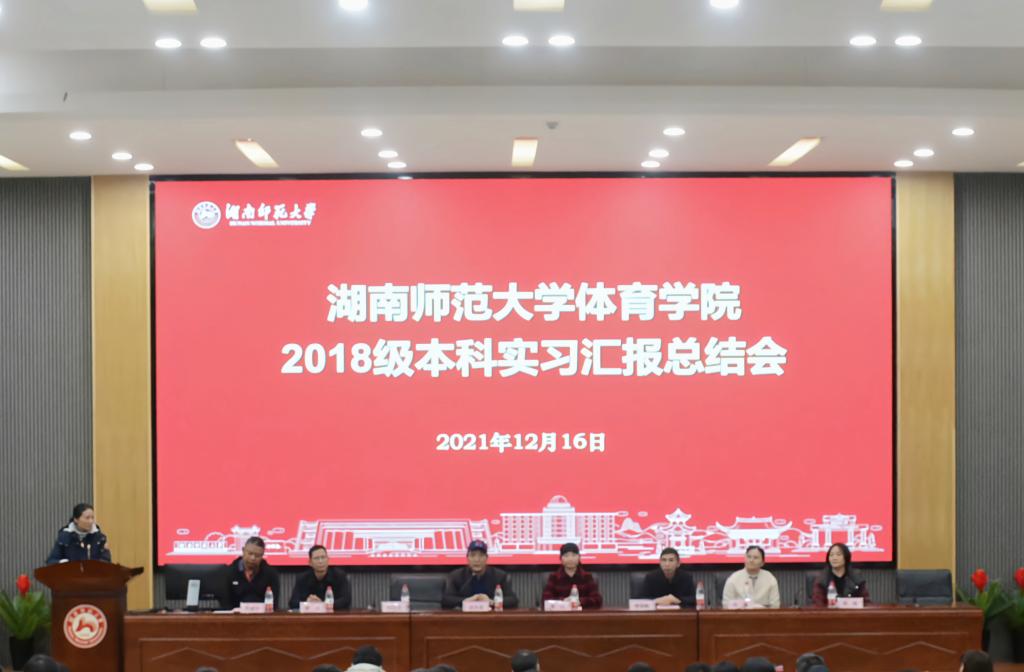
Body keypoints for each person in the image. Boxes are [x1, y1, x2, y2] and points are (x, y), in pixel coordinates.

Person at [441, 540, 519, 609]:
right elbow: (446, 600)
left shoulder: (499, 576)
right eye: (473, 555)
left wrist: (491, 601)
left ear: (486, 558)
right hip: (465, 617)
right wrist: (466, 600)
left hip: (491, 617)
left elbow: (513, 600)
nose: (477, 560)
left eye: (481, 555)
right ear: (467, 558)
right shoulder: (456, 576)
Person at [288, 544, 352, 611]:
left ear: (328, 560)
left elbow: (346, 600)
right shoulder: (302, 578)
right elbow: (292, 603)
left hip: (333, 615)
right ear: (310, 562)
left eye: (323, 557)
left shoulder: (339, 576)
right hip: (310, 616)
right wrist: (307, 602)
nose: (320, 561)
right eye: (316, 558)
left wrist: (322, 604)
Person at [542, 542, 603, 609]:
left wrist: (580, 601)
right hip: (561, 614)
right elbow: (545, 600)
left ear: (579, 557)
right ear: (561, 559)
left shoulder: (587, 576)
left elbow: (597, 600)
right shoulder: (554, 577)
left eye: (573, 555)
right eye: (566, 556)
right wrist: (564, 601)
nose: (570, 559)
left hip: (582, 614)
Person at [225, 536, 280, 609]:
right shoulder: (229, 572)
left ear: (262, 555)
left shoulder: (270, 574)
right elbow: (226, 603)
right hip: (235, 614)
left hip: (262, 614)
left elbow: (273, 604)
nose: (253, 558)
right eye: (250, 553)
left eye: (257, 555)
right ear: (243, 551)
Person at [46, 503, 111, 564]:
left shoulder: (100, 538)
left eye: (92, 518)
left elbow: (106, 561)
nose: (91, 521)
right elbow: (51, 561)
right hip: (71, 571)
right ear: (76, 519)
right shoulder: (64, 537)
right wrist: (63, 563)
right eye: (87, 518)